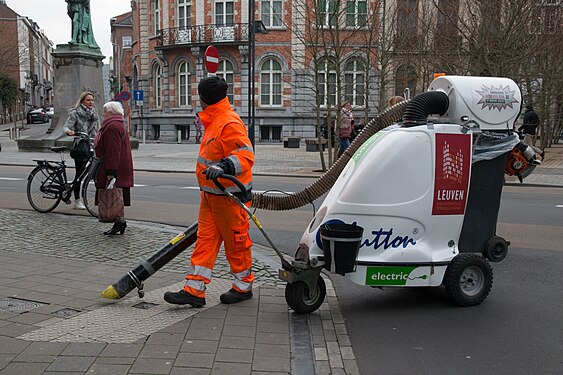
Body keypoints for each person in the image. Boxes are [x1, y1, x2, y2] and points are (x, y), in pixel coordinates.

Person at [164, 76, 255, 307]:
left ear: (203, 99)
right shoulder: (215, 120)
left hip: (230, 197)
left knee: (236, 242)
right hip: (210, 196)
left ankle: (243, 287)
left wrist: (224, 166)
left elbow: (245, 155)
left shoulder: (228, 122)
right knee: (205, 241)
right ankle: (194, 290)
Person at [93, 101, 134, 235]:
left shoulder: (111, 126)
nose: (103, 115)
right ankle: (119, 222)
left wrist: (111, 172)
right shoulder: (119, 123)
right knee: (118, 196)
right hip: (121, 165)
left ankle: (119, 222)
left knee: (114, 195)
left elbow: (113, 150)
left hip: (114, 166)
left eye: (105, 112)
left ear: (110, 112)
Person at [63, 91, 99, 210]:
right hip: (81, 146)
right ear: (82, 101)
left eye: (92, 100)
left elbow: (98, 128)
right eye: (88, 100)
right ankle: (77, 200)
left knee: (95, 169)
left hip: (92, 144)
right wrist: (69, 131)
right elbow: (66, 126)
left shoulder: (94, 113)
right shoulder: (76, 113)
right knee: (79, 174)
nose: (91, 102)